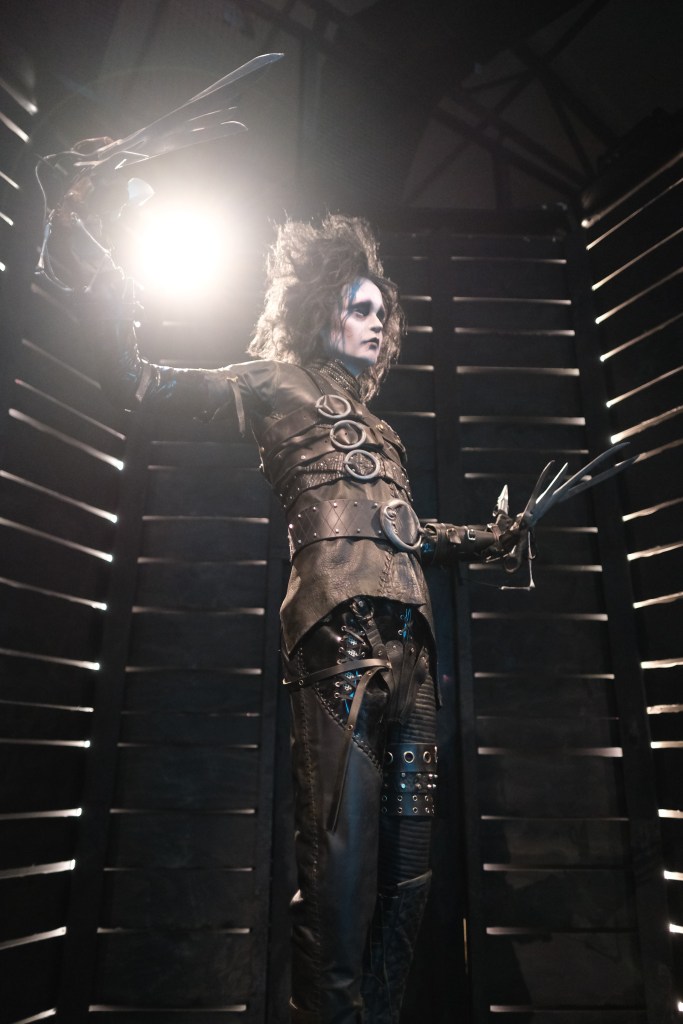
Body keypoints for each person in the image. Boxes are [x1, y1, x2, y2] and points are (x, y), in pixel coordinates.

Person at [88, 214, 522, 1024]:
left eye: (381, 312)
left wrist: (488, 538)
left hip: (411, 648)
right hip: (339, 640)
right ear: (320, 309)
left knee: (408, 873)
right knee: (338, 872)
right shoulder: (271, 383)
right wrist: (109, 279)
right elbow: (141, 382)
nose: (376, 323)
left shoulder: (382, 431)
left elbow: (403, 531)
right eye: (359, 308)